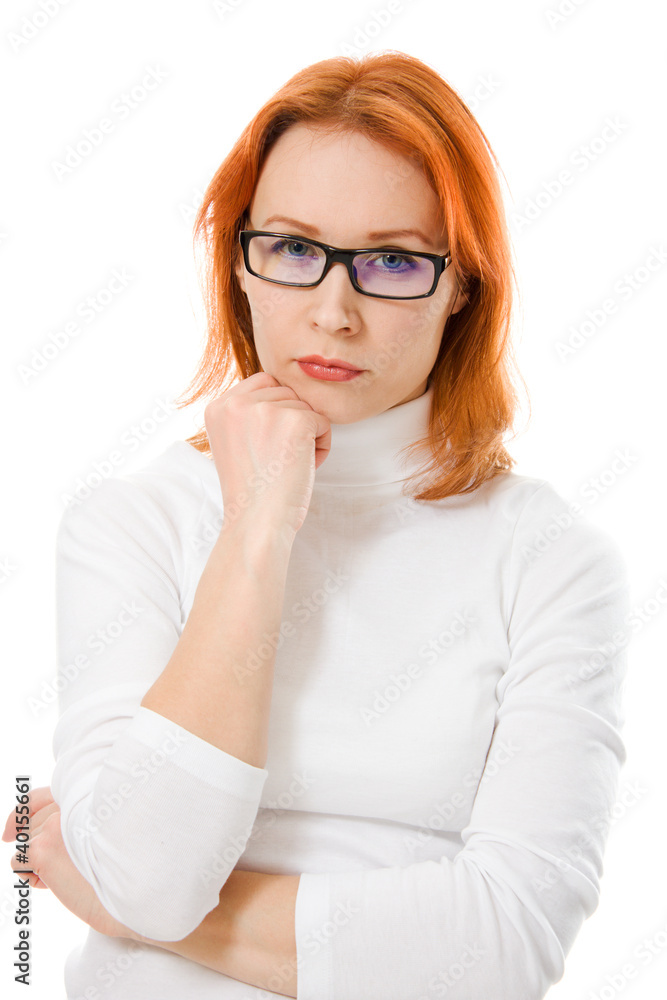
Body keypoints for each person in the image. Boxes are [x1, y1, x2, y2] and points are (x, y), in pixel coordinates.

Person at [4, 50, 630, 999]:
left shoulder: (550, 560)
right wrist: (257, 531)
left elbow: (504, 946)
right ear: (239, 262)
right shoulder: (130, 524)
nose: (333, 313)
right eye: (294, 249)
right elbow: (149, 875)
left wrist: (112, 896)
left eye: (392, 261)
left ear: (462, 285)